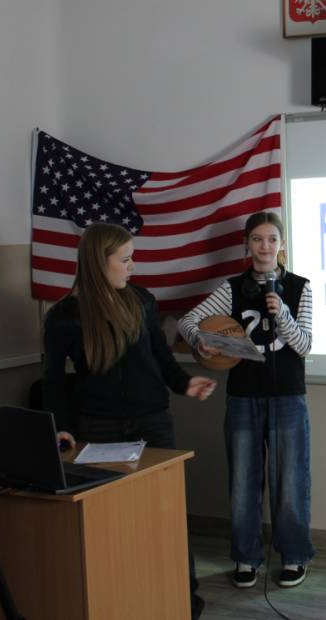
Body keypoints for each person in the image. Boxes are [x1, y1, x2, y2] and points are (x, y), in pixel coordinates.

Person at [42, 222, 217, 620]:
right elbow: (53, 381)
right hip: (97, 430)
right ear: (98, 263)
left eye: (131, 258)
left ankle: (182, 599)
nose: (132, 266)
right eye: (124, 259)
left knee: (167, 513)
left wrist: (185, 383)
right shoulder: (63, 317)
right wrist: (62, 426)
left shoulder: (141, 300)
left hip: (152, 423)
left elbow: (161, 355)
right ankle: (124, 599)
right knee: (112, 521)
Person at [178, 211, 316, 590]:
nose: (265, 246)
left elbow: (304, 346)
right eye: (257, 239)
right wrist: (203, 341)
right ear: (246, 244)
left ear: (282, 245)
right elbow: (187, 322)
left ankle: (294, 555)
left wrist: (282, 312)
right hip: (243, 397)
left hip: (288, 397)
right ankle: (246, 557)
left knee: (290, 481)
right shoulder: (231, 288)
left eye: (272, 239)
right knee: (243, 480)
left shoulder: (301, 288)